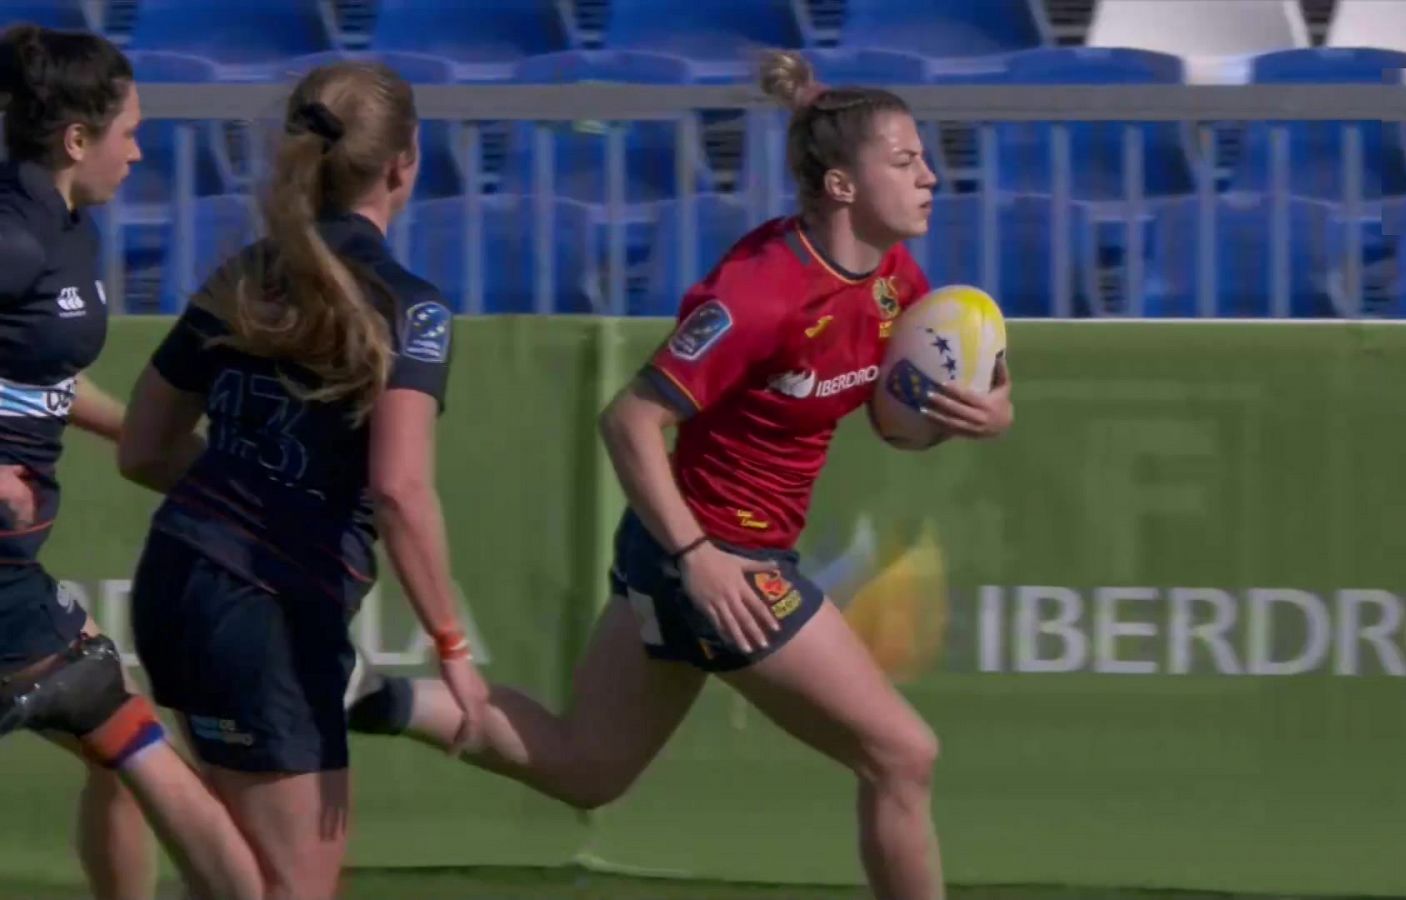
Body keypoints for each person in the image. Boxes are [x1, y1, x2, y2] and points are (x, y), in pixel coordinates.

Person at [347, 49, 1014, 900]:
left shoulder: (891, 279)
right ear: (842, 186)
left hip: (694, 553)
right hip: (714, 556)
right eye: (906, 160)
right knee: (904, 754)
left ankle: (367, 695)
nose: (931, 175)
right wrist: (699, 555)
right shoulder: (762, 293)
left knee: (589, 768)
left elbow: (894, 415)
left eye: (924, 157)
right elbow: (627, 419)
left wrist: (992, 409)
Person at [115, 60, 489, 900]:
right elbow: (398, 490)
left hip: (177, 577)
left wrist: (232, 502)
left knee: (232, 878)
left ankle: (131, 751)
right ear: (405, 161)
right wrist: (453, 649)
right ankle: (129, 750)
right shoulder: (411, 305)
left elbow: (142, 448)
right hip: (268, 614)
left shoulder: (242, 274)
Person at [0, 23, 264, 900]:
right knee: (136, 742)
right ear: (77, 140)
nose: (141, 151)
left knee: (121, 744)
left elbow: (44, 383)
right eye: (129, 131)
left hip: (17, 568)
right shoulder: (13, 234)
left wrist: (175, 453)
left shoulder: (67, 231)